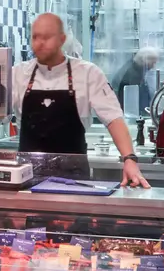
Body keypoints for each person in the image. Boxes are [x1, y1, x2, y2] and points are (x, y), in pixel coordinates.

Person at [11, 13, 150, 188]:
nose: (39, 43)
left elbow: (113, 118)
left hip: (74, 178)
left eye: (46, 37)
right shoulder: (17, 74)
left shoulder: (87, 73)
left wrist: (129, 159)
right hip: (26, 177)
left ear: (62, 39)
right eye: (35, 37)